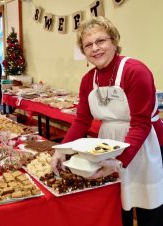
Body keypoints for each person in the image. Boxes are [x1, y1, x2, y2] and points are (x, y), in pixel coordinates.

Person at [51, 16, 163, 226]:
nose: (95, 48)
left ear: (114, 41)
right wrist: (61, 150)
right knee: (117, 205)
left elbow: (141, 124)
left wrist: (119, 162)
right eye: (88, 45)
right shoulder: (88, 80)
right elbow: (82, 120)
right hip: (107, 145)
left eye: (101, 41)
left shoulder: (135, 71)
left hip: (144, 145)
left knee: (149, 205)